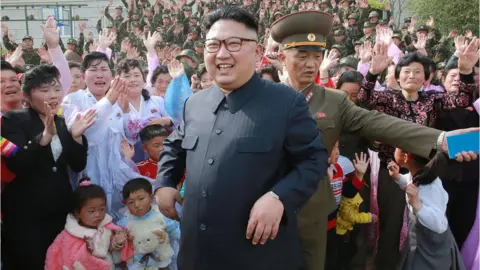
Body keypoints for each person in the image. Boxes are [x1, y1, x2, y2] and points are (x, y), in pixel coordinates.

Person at [269, 10, 478, 270]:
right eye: (302, 56)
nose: (311, 64)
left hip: (312, 208)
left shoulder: (333, 100)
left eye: (316, 56)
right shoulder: (263, 97)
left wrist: (445, 141)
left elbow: (382, 125)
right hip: (263, 205)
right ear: (281, 57)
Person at [155, 6, 328, 270]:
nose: (222, 54)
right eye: (213, 45)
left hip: (257, 255)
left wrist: (279, 197)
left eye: (234, 43)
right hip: (197, 254)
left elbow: (313, 160)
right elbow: (174, 146)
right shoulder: (195, 104)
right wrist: (164, 181)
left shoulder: (285, 102)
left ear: (258, 52)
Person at [1, 65, 91, 269]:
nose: (52, 96)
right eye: (44, 90)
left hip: (60, 211)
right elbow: (18, 164)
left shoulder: (61, 122)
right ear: (27, 95)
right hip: (26, 216)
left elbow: (78, 165)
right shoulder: (14, 120)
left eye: (56, 89)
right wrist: (43, 138)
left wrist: (76, 137)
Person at [62, 52, 145, 220]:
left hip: (116, 172)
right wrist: (108, 101)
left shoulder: (119, 100)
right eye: (93, 70)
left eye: (104, 69)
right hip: (88, 174)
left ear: (111, 75)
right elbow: (85, 133)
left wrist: (127, 111)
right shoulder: (72, 100)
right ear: (84, 75)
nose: (99, 74)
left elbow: (131, 136)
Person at [387, 151, 465, 270]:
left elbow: (440, 225)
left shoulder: (430, 187)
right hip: (419, 239)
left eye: (397, 147)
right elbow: (409, 182)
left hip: (432, 249)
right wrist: (398, 177)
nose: (394, 150)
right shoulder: (419, 174)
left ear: (406, 157)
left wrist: (417, 205)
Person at [45, 180, 128, 270]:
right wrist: (87, 251)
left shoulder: (107, 227)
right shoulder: (69, 236)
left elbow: (112, 249)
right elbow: (55, 257)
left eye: (102, 209)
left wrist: (117, 243)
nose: (98, 214)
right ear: (77, 213)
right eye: (92, 211)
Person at [118, 178, 180, 270]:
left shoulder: (160, 214)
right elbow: (120, 241)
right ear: (126, 204)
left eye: (141, 199)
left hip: (161, 259)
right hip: (137, 263)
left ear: (151, 198)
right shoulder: (125, 222)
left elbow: (175, 230)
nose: (137, 205)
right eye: (131, 202)